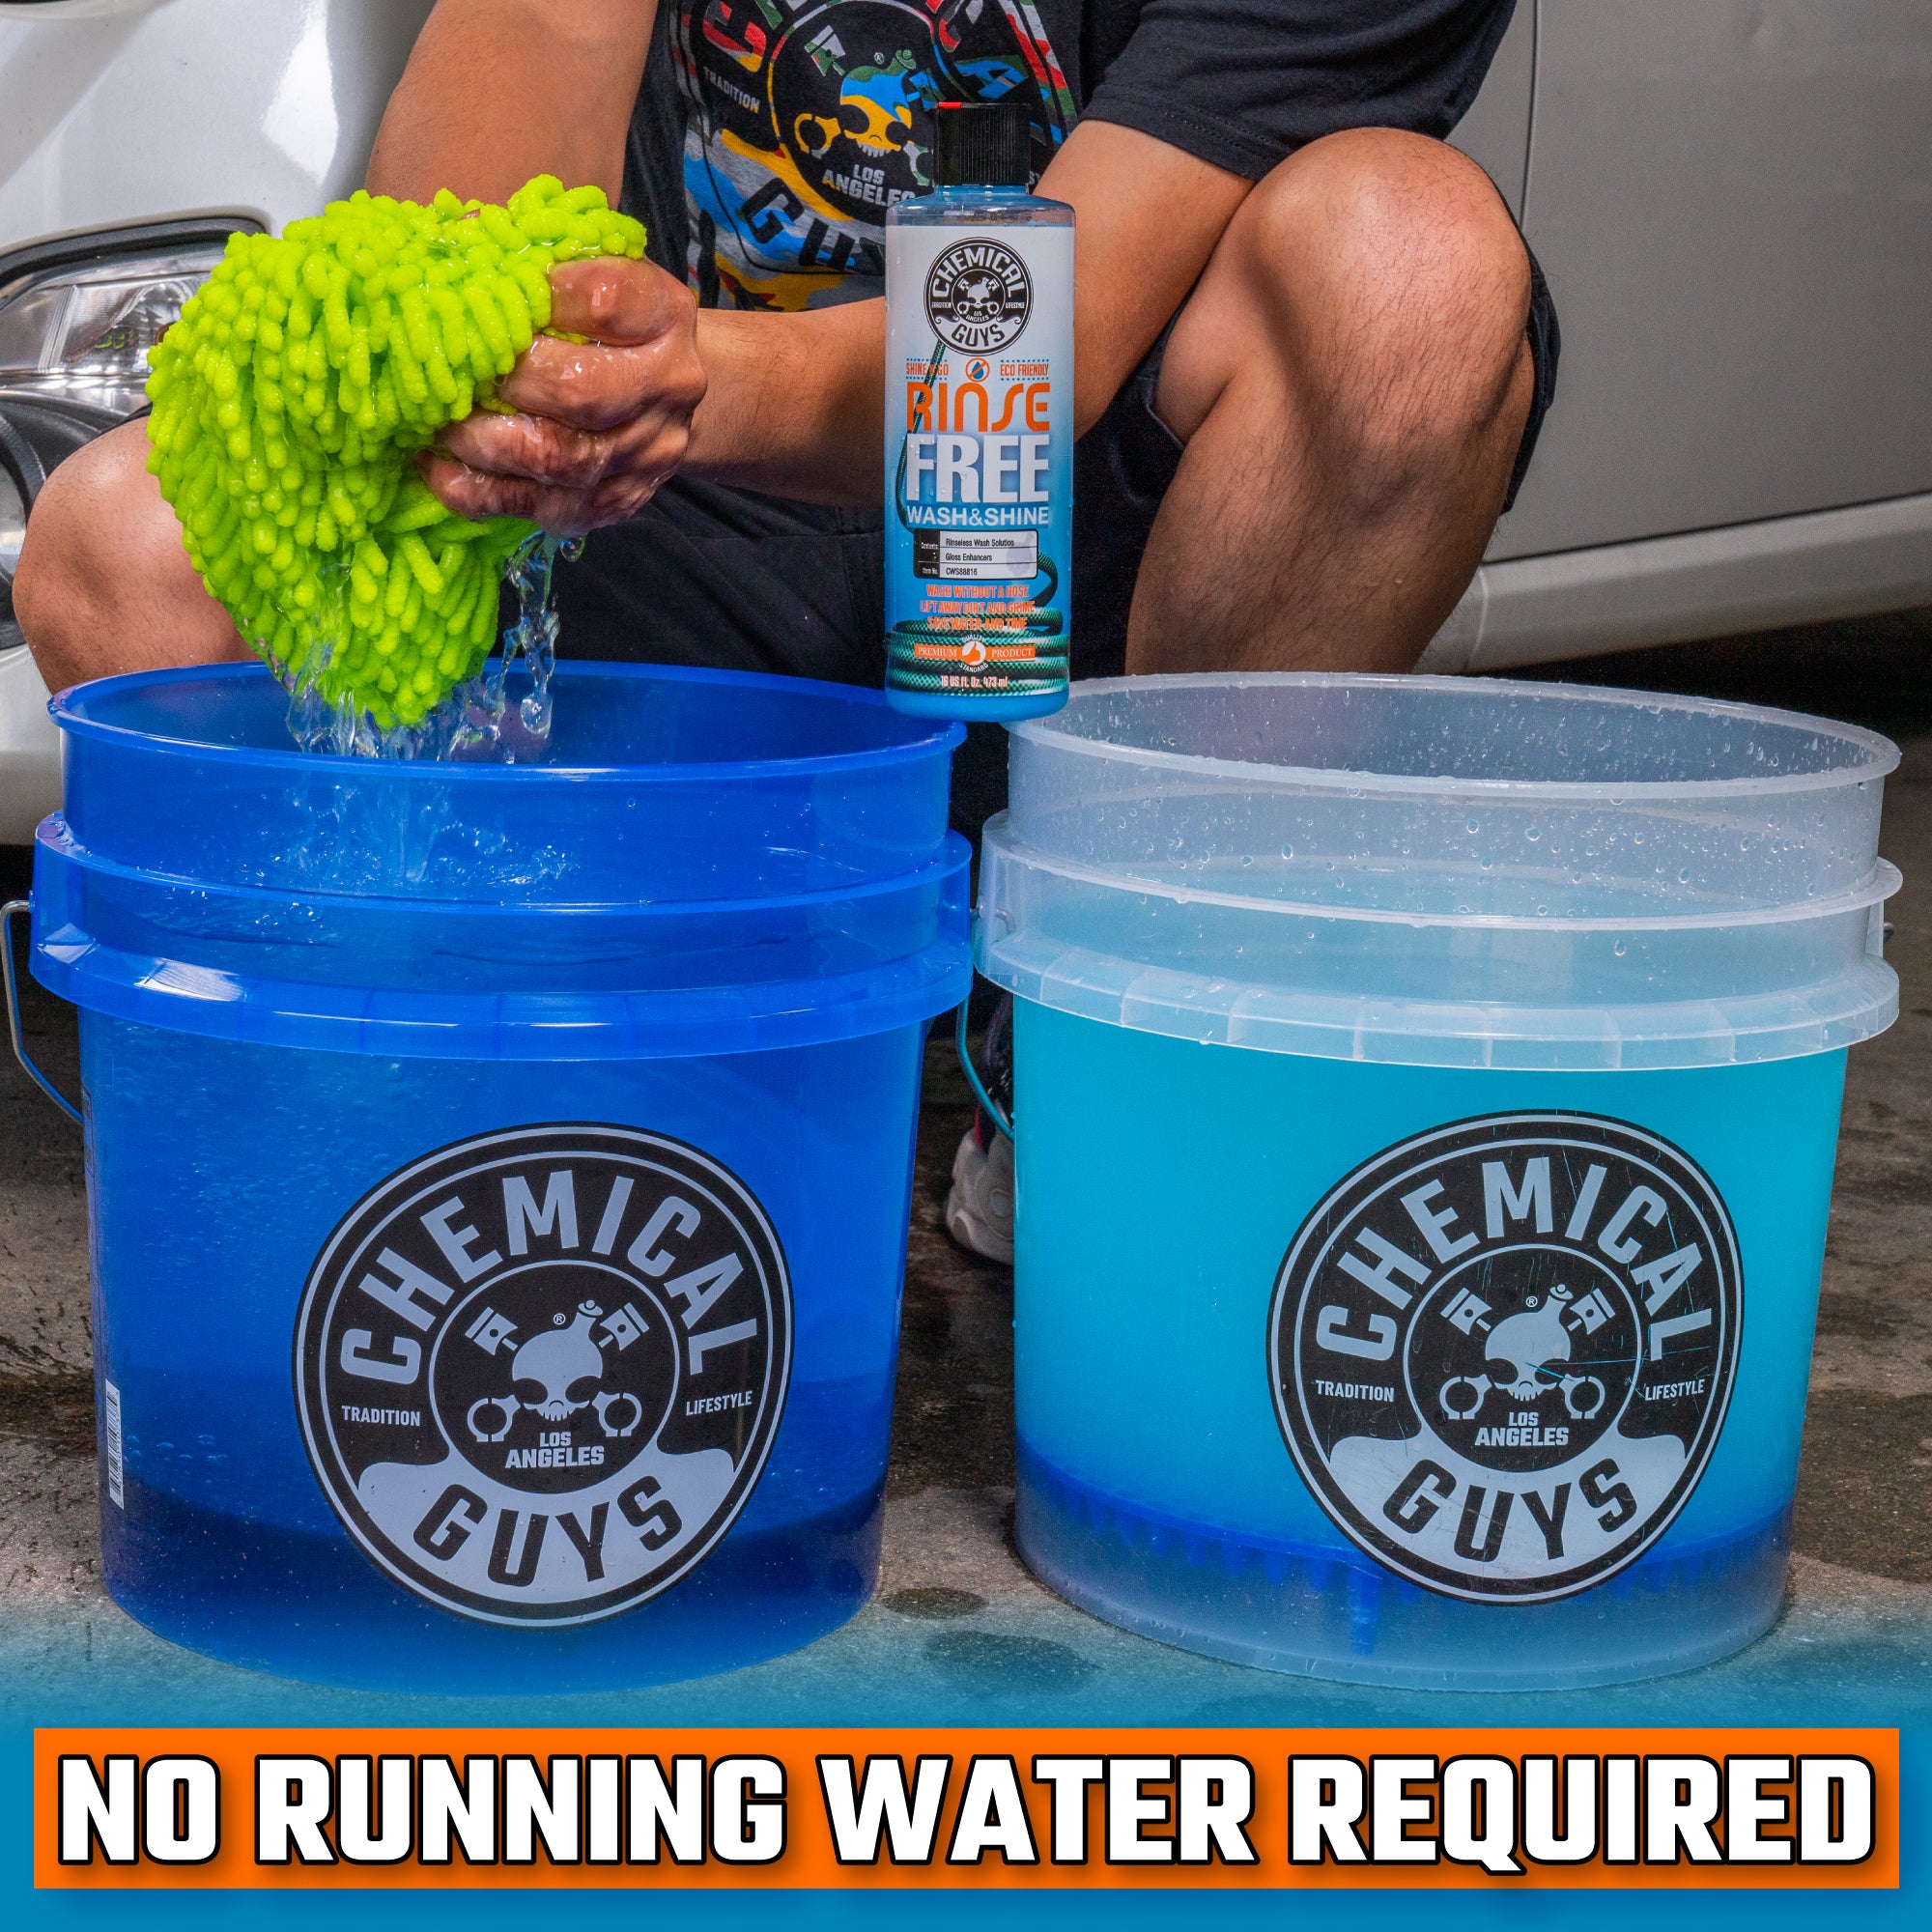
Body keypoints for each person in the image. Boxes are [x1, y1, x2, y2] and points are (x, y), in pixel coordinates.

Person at [12, 0, 1559, 1259]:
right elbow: (453, 259)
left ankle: (1104, 1055)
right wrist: (520, 390)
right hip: (655, 532)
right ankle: (413, 1121)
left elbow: (1027, 347)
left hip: (1071, 568)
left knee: (1407, 263)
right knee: (125, 542)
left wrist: (671, 387)